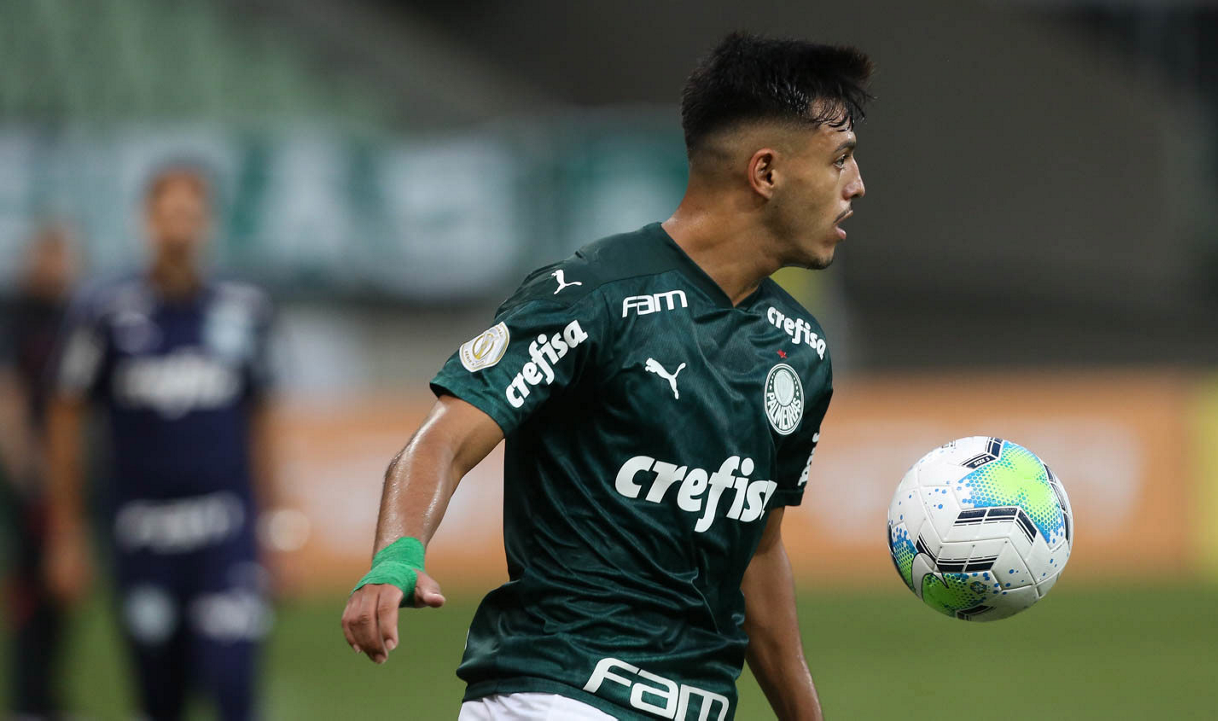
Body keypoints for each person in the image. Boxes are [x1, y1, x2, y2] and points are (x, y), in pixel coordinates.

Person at [341, 32, 871, 721]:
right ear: (765, 172)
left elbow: (757, 550)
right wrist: (396, 558)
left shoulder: (798, 349)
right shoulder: (593, 296)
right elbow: (445, 438)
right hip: (558, 693)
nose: (856, 185)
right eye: (839, 159)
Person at [44, 165, 280, 720]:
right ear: (146, 221)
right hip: (142, 533)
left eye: (191, 215)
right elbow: (65, 414)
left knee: (234, 685)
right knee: (158, 696)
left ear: (208, 222)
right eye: (169, 214)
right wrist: (67, 533)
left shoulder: (244, 309)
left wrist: (277, 524)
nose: (180, 229)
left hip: (224, 530)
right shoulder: (104, 312)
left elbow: (264, 417)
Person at [1, 224, 79, 720]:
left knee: (63, 590)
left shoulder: (73, 317)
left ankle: (46, 698)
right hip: (31, 481)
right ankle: (28, 700)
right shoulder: (14, 316)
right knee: (32, 588)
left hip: (65, 478)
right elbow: (7, 400)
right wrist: (31, 475)